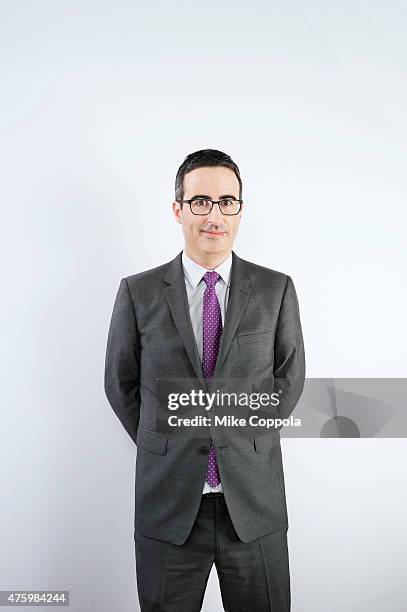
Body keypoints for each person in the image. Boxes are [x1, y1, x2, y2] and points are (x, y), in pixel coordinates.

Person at [104, 149, 305, 611]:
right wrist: (167, 441)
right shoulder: (139, 292)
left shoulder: (276, 289)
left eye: (226, 201)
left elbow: (288, 378)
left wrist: (237, 435)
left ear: (240, 210)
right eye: (200, 202)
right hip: (170, 505)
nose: (214, 215)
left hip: (253, 504)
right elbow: (122, 383)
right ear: (178, 209)